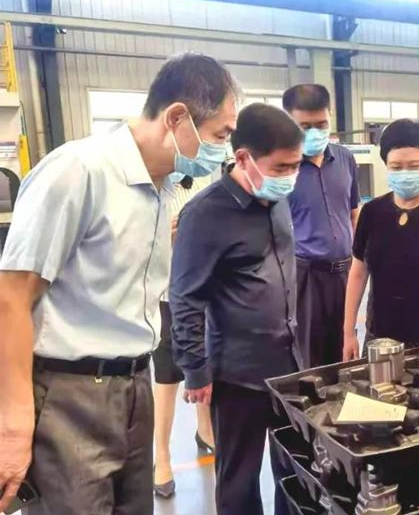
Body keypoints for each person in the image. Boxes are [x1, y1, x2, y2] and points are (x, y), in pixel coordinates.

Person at [0, 52, 237, 515]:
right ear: (176, 118)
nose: (224, 152)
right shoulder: (77, 172)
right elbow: (11, 297)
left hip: (135, 384)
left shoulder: (163, 188)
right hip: (69, 395)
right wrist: (13, 419)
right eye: (220, 135)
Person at [170, 103, 304, 515]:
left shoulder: (276, 199)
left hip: (289, 365)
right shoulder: (205, 214)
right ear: (243, 158)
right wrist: (195, 368)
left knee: (295, 471)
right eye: (280, 168)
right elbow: (185, 296)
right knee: (240, 480)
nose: (289, 177)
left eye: (295, 166)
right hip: (238, 374)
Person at [342, 119, 419, 359]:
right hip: (380, 338)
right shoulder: (372, 213)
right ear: (386, 165)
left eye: (414, 166)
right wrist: (348, 332)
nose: (405, 173)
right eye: (396, 167)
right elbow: (358, 273)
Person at [285, 84, 360, 369]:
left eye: (321, 124)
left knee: (346, 354)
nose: (314, 133)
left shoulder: (345, 159)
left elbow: (354, 213)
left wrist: (361, 262)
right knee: (310, 360)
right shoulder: (282, 167)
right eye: (305, 126)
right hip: (305, 277)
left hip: (345, 273)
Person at [152, 173, 217, 499]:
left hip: (204, 292)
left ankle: (205, 430)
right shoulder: (152, 191)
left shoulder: (205, 183)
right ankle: (161, 455)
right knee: (167, 377)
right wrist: (166, 236)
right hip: (167, 294)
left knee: (203, 365)